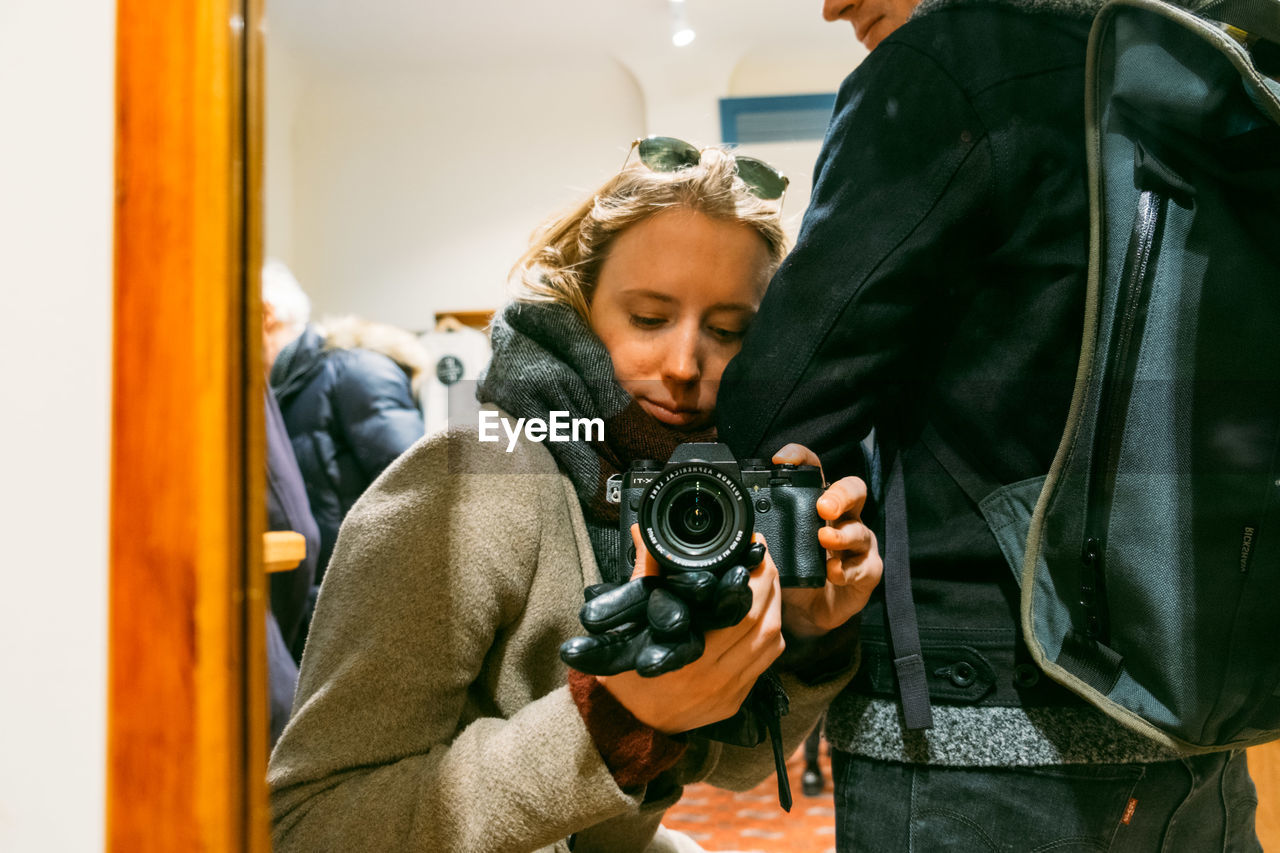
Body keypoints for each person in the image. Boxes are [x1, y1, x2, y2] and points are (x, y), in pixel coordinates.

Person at [717, 1, 1262, 851]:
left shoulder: (950, 66)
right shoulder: (1203, 68)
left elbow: (777, 415)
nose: (830, 4)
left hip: (972, 750)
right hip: (1200, 736)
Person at [268, 141, 882, 852]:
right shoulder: (469, 475)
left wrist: (805, 633)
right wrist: (609, 721)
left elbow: (728, 764)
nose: (685, 365)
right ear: (579, 305)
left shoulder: (698, 485)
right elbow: (308, 826)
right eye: (649, 319)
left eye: (728, 332)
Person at [263, 261, 429, 655]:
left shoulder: (356, 370)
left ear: (265, 313)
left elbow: (421, 496)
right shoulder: (283, 389)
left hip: (362, 622)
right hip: (315, 617)